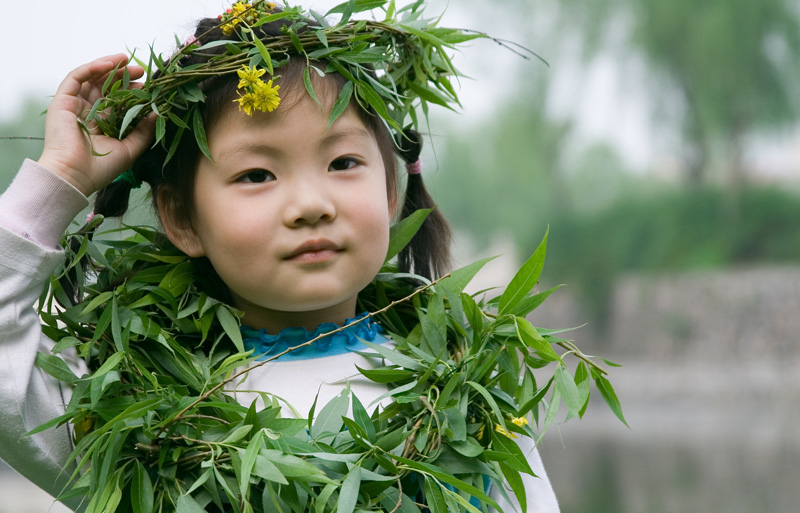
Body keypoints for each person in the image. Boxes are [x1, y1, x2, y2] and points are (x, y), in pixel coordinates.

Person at [0, 2, 560, 512]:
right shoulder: (132, 415)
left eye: (342, 163)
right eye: (257, 175)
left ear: (391, 194)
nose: (310, 205)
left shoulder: (466, 393)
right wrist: (61, 182)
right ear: (182, 219)